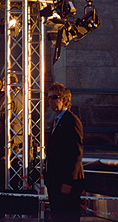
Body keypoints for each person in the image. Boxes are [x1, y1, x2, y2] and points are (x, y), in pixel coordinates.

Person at [44, 83, 85, 222]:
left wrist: (68, 182)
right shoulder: (56, 121)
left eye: (54, 97)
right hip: (56, 182)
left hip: (66, 184)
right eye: (49, 97)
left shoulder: (71, 121)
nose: (50, 101)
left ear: (65, 100)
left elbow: (76, 154)